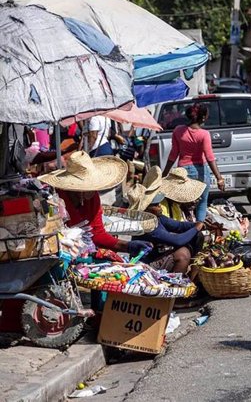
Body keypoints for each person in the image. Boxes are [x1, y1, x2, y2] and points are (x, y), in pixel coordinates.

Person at [38, 151, 151, 311]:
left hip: (82, 252)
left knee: (109, 267)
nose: (94, 190)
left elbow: (98, 234)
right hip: (56, 253)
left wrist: (126, 246)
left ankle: (101, 311)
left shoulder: (93, 199)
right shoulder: (55, 198)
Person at [162, 103, 225, 222]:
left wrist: (165, 173)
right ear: (203, 117)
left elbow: (173, 154)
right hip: (201, 172)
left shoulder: (178, 131)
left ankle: (185, 229)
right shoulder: (204, 134)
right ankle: (199, 230)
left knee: (183, 205)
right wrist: (219, 178)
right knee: (202, 203)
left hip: (184, 172)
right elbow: (209, 157)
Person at [128, 185, 204, 274]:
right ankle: (177, 283)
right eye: (156, 205)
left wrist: (198, 225)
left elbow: (179, 226)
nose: (160, 206)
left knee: (198, 236)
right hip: (146, 265)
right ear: (147, 209)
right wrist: (196, 228)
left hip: (158, 256)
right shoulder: (147, 226)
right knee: (183, 254)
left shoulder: (157, 218)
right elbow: (177, 241)